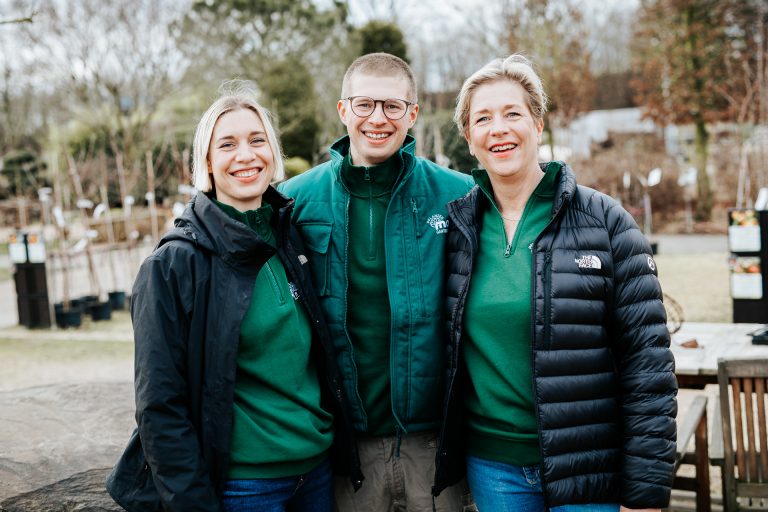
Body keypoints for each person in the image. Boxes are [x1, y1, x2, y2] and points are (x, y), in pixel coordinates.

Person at [434, 54, 678, 511]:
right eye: (482, 118)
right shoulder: (456, 230)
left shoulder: (606, 222)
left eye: (513, 113)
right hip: (496, 469)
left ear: (538, 124)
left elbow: (649, 367)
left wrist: (645, 492)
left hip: (590, 471)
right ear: (469, 138)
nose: (499, 128)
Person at [106, 82, 361, 512]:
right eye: (227, 144)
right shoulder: (172, 267)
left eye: (257, 140)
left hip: (315, 474)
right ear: (206, 161)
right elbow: (159, 407)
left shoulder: (288, 235)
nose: (246, 155)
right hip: (244, 487)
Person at [278, 53, 474, 511]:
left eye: (392, 106)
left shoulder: (459, 195)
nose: (378, 119)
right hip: (347, 448)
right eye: (364, 105)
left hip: (433, 443)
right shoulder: (294, 202)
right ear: (344, 111)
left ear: (412, 114)